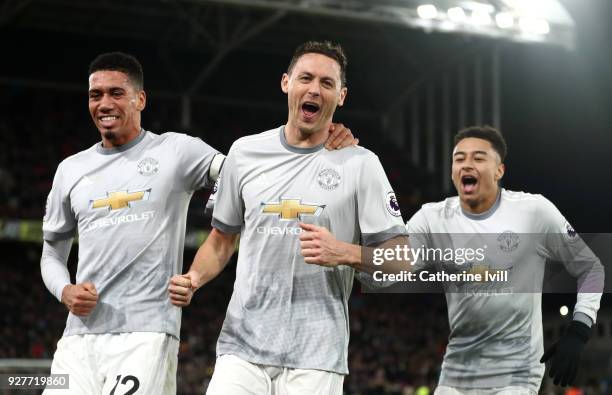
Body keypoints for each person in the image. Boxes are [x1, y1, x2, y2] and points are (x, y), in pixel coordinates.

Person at [40, 51, 356, 394]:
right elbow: (51, 255)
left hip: (146, 331)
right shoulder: (70, 169)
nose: (104, 103)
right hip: (77, 336)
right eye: (95, 95)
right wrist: (64, 290)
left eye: (116, 93)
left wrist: (325, 140)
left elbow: (251, 171)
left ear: (140, 99)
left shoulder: (177, 151)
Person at [168, 41, 408, 394]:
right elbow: (221, 240)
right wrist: (193, 278)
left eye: (327, 83)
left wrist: (344, 253)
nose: (314, 89)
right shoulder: (244, 152)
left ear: (341, 96)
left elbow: (401, 258)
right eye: (306, 78)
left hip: (316, 357)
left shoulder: (361, 163)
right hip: (242, 347)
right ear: (286, 83)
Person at [405, 126, 604, 394]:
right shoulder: (432, 218)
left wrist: (580, 329)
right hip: (457, 373)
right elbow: (388, 265)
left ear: (499, 171)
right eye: (459, 158)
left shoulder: (534, 212)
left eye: (478, 158)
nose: (466, 164)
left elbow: (591, 267)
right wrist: (348, 252)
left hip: (517, 374)